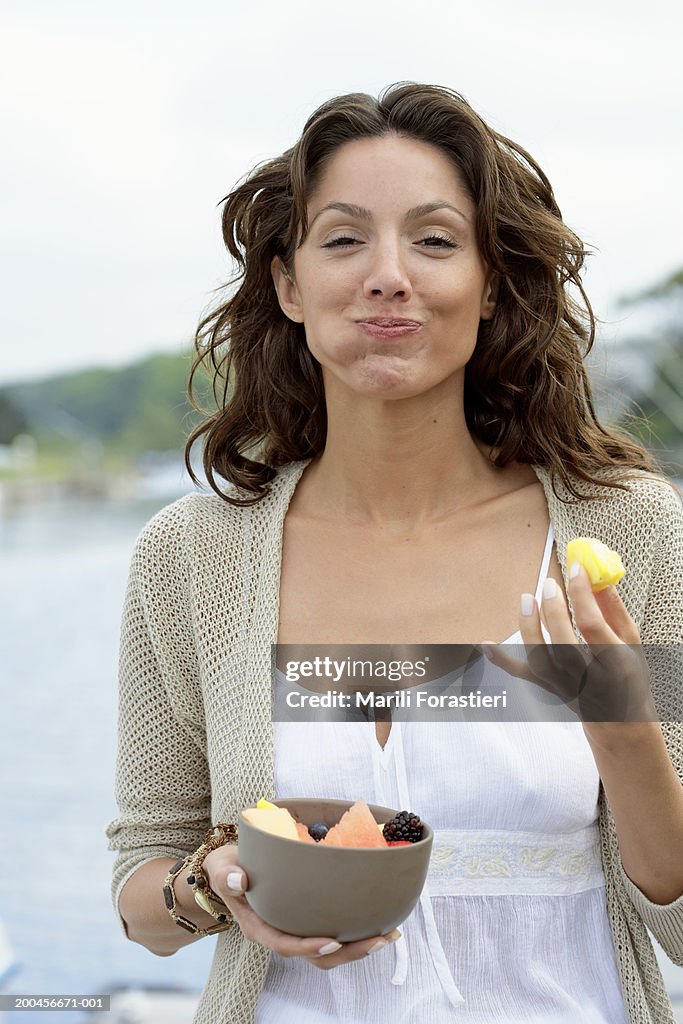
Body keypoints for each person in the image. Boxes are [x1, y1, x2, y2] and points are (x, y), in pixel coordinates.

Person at [106, 82, 683, 1023]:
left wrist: (623, 732)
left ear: (491, 281)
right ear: (289, 286)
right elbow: (142, 893)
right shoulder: (189, 559)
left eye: (434, 239)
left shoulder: (630, 533)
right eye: (342, 239)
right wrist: (210, 886)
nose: (387, 275)